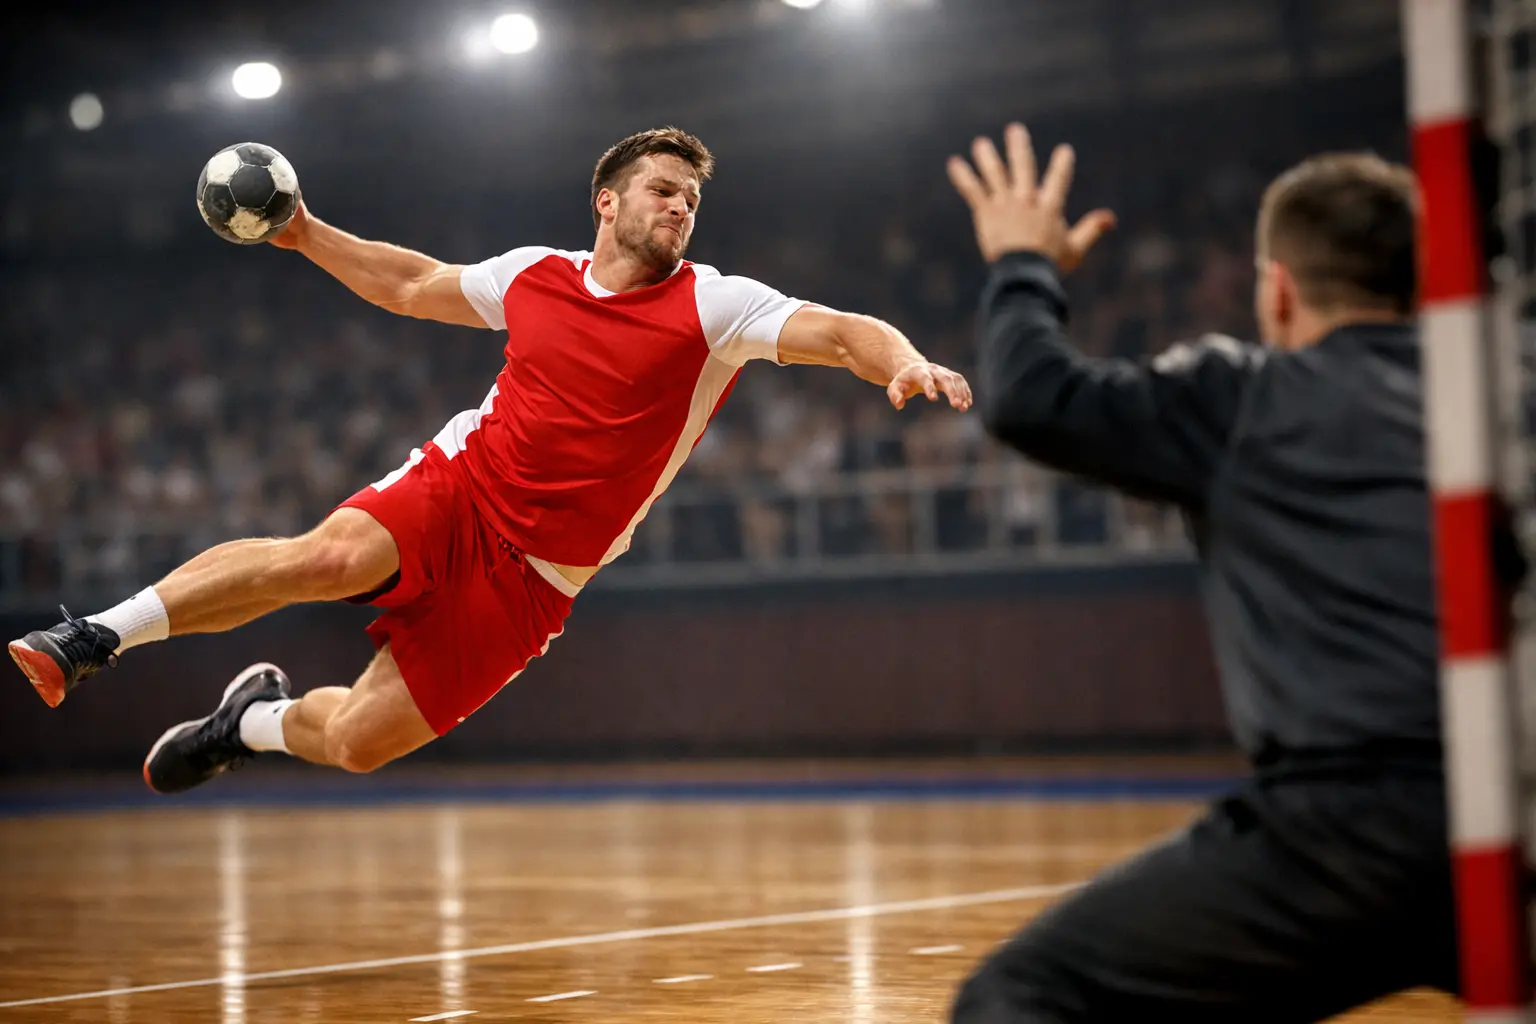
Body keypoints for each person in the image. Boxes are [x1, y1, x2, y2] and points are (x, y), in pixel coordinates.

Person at [9, 127, 971, 794]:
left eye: (692, 198)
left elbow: (843, 331)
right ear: (608, 200)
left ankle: (246, 724)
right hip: (463, 488)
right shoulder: (536, 277)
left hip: (539, 578)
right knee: (330, 558)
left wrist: (907, 361)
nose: (681, 208)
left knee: (354, 743)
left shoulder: (716, 306)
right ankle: (94, 636)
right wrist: (302, 231)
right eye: (663, 190)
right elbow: (413, 282)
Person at [945, 122, 1464, 1020]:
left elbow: (1031, 395)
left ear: (1279, 292)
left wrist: (1025, 264)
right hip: (1511, 818)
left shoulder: (1241, 395)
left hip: (1338, 838)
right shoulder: (1499, 394)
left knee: (1021, 994)